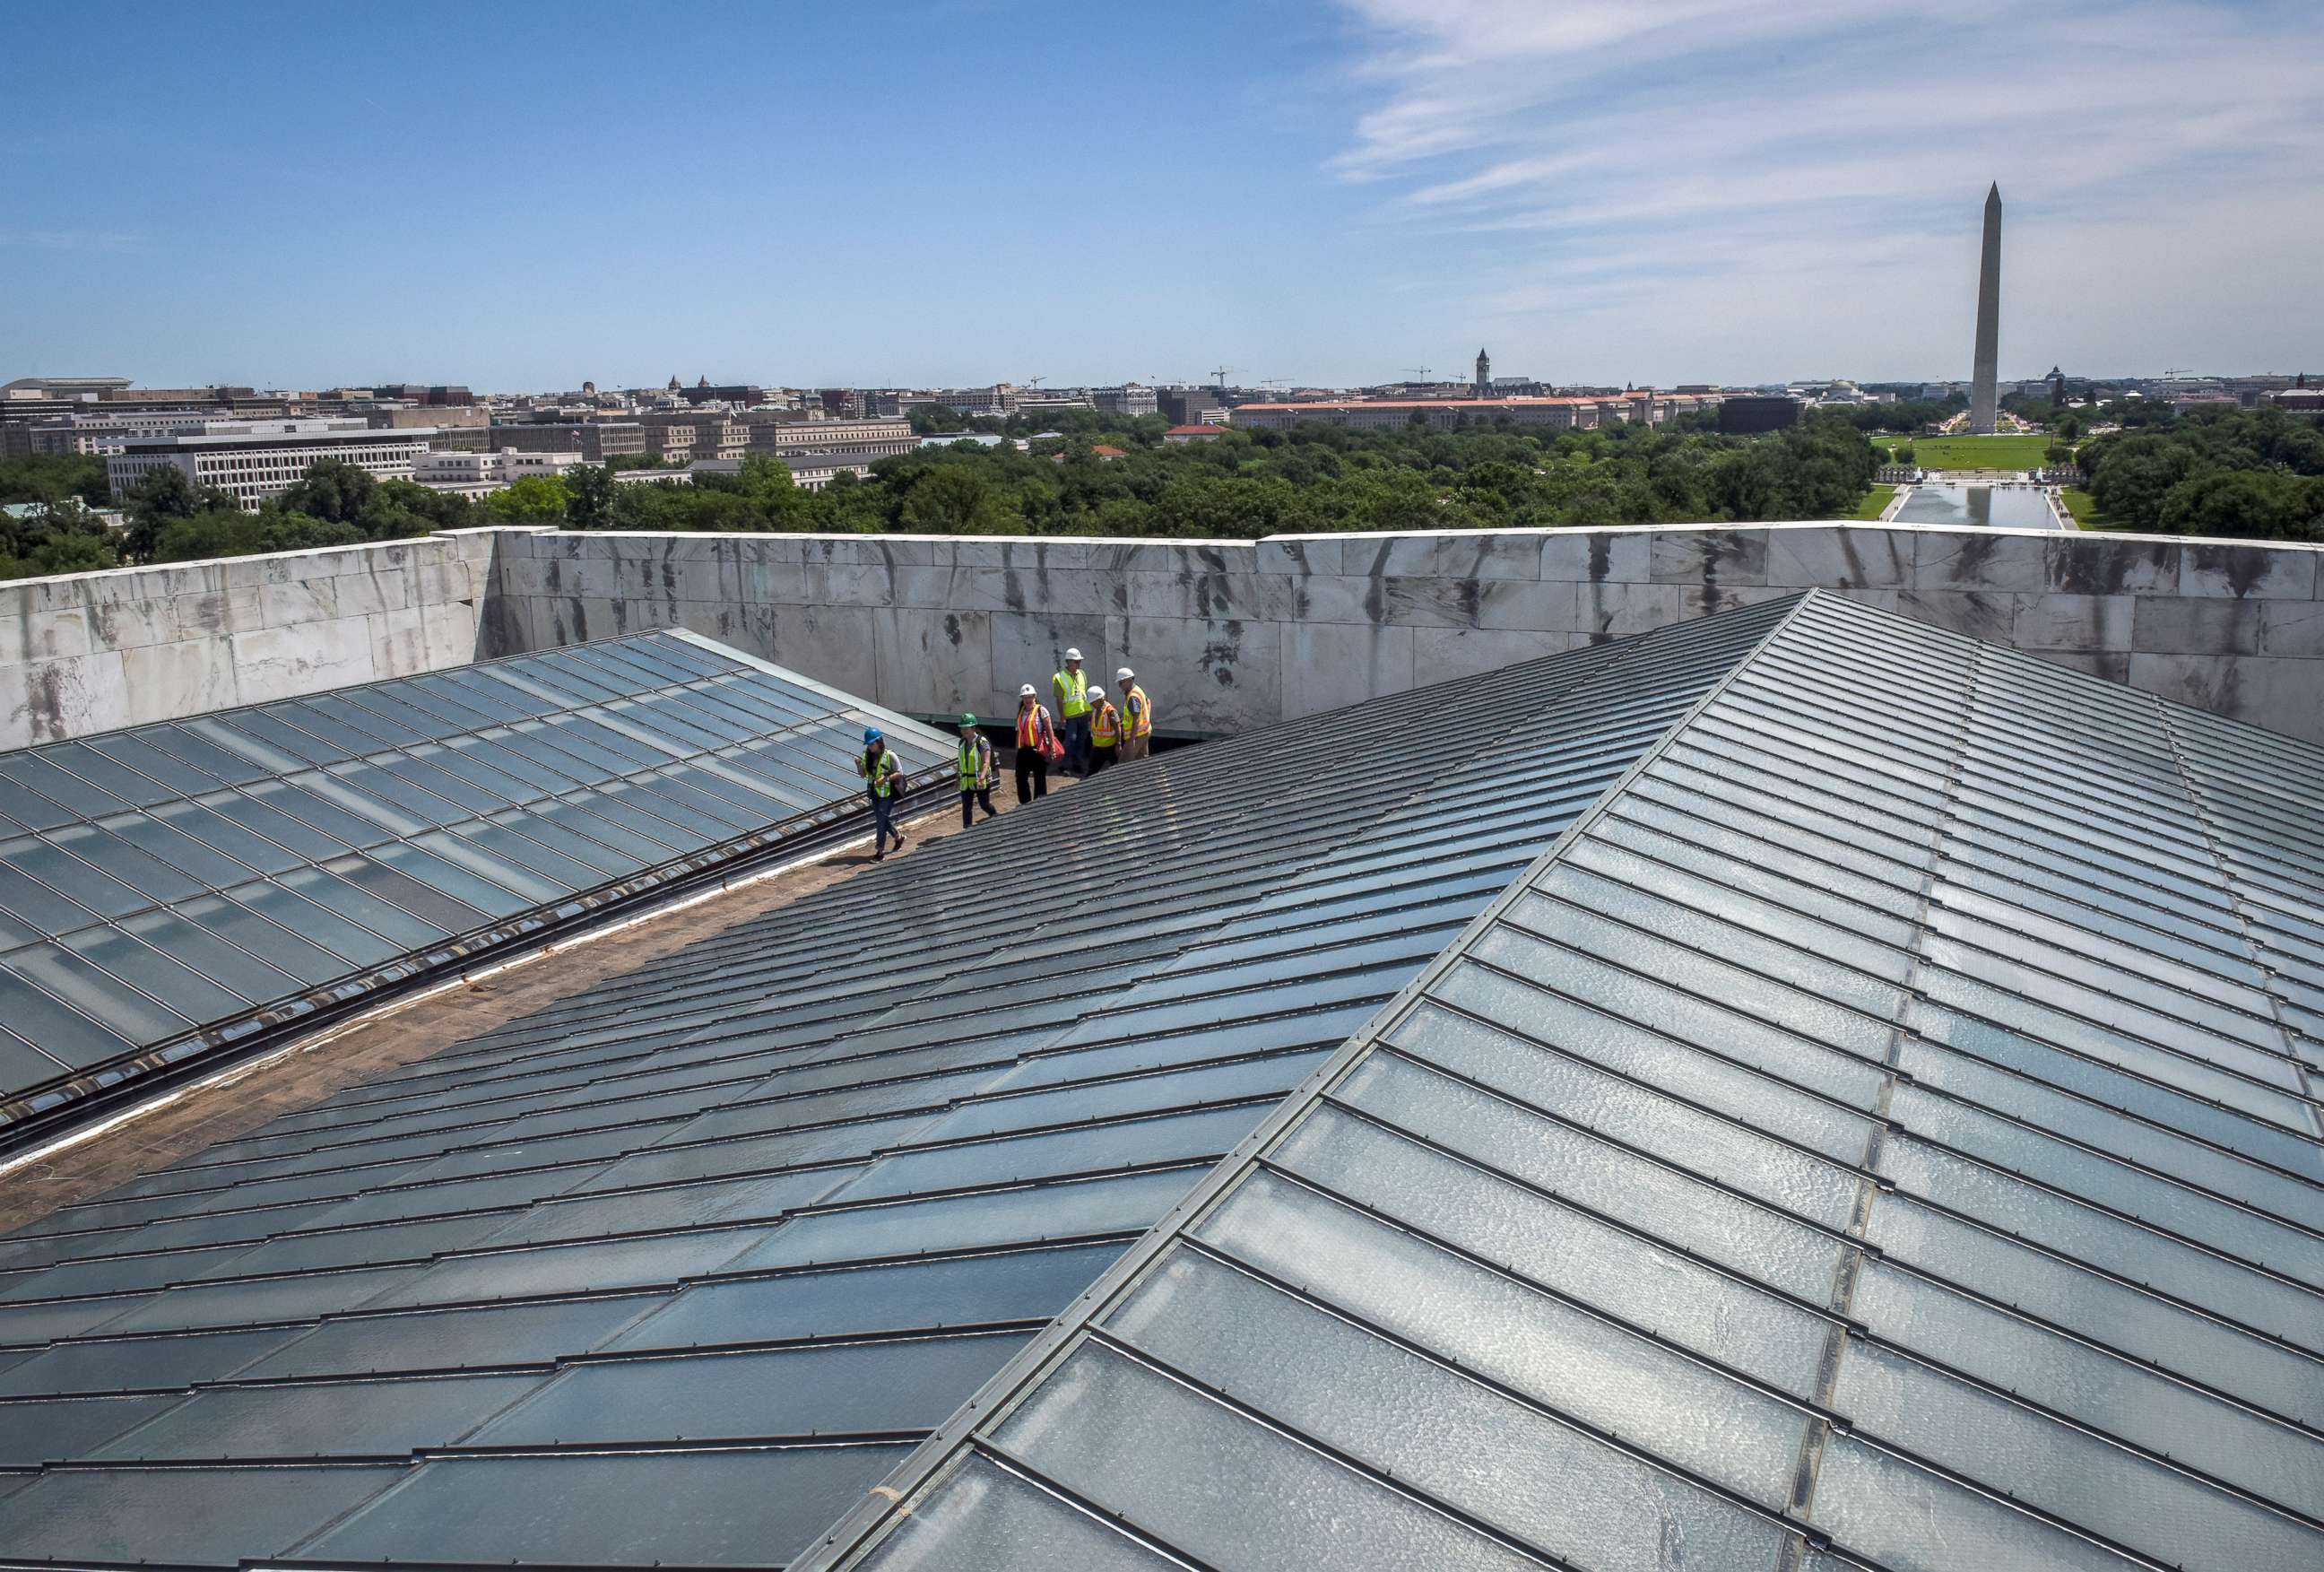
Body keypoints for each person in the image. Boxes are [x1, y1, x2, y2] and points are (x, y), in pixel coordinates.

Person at [855, 726, 906, 860]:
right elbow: (863, 775)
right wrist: (859, 765)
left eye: (872, 744)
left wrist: (886, 778)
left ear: (879, 742)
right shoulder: (867, 756)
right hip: (874, 794)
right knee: (882, 819)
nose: (870, 747)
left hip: (887, 794)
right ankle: (898, 837)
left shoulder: (889, 755)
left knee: (880, 821)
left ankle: (879, 851)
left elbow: (900, 773)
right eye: (869, 745)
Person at [1013, 683, 1058, 803]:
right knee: (1020, 778)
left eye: (1030, 697)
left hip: (1038, 750)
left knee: (1039, 778)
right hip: (1024, 750)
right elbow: (1019, 731)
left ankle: (1040, 803)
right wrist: (1017, 749)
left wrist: (1052, 748)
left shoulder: (1041, 711)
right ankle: (1025, 803)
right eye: (1025, 697)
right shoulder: (1021, 712)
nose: (1028, 700)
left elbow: (1049, 730)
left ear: (1034, 697)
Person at [1052, 647, 1092, 774]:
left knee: (1081, 740)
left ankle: (1077, 763)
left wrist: (1089, 711)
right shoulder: (1059, 677)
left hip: (1083, 713)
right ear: (1068, 662)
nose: (1079, 664)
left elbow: (1084, 694)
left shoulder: (1082, 674)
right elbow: (1059, 699)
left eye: (1079, 661)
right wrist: (1062, 717)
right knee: (1071, 740)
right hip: (1071, 716)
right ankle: (1064, 764)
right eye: (1076, 661)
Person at [956, 713, 998, 827]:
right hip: (966, 780)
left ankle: (994, 814)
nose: (964, 731)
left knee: (984, 804)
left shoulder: (982, 742)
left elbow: (986, 762)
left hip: (980, 779)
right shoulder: (962, 742)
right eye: (962, 728)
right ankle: (967, 827)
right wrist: (958, 776)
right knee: (966, 806)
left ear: (973, 728)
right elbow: (961, 760)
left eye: (966, 728)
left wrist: (981, 778)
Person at [1117, 666, 1153, 761]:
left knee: (1123, 762)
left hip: (1137, 735)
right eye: (1119, 683)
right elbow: (1148, 701)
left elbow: (1136, 719)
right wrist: (1147, 720)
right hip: (1144, 732)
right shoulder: (1137, 690)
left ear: (1129, 680)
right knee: (1142, 761)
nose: (1120, 685)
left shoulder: (1133, 696)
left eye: (1121, 682)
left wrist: (1131, 740)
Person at [1087, 684, 1122, 775]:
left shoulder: (1110, 711)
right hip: (1098, 747)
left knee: (1117, 770)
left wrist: (1118, 745)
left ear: (1100, 699)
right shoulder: (1095, 710)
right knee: (1091, 771)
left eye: (1093, 702)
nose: (1091, 704)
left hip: (1110, 747)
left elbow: (1118, 728)